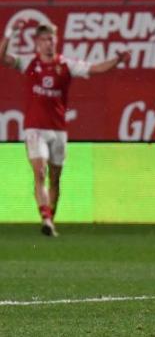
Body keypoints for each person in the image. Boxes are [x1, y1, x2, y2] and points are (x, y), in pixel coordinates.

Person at [0, 23, 128, 236]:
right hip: (35, 128)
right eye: (44, 40)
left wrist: (117, 60)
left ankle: (50, 220)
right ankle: (46, 218)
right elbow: (2, 57)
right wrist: (9, 34)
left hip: (58, 130)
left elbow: (95, 68)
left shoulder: (66, 65)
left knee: (55, 178)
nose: (48, 44)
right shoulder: (29, 64)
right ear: (37, 44)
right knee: (40, 172)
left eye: (51, 39)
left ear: (56, 41)